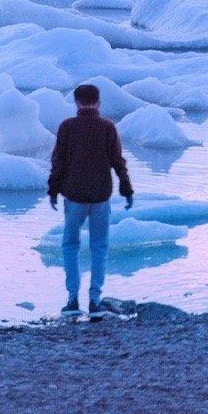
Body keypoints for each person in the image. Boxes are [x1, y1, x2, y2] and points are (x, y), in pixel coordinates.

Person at [47, 81, 134, 320]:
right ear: (98, 102)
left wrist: (53, 188)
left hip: (73, 194)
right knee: (99, 247)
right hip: (100, 195)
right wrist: (126, 188)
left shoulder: (67, 127)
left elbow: (58, 162)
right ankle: (95, 300)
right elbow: (118, 161)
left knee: (70, 245)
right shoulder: (107, 127)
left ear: (76, 102)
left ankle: (72, 299)